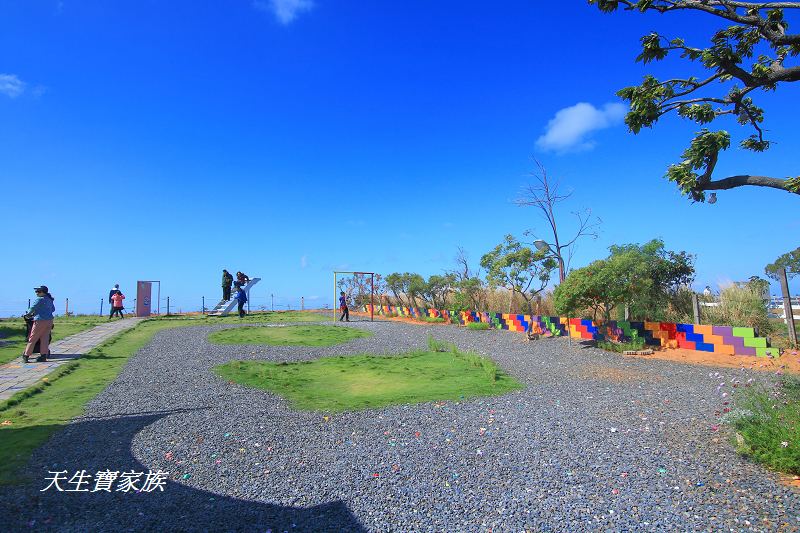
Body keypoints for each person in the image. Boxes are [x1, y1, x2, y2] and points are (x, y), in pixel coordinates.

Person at [23, 285, 56, 363]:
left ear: (43, 292)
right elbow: (53, 309)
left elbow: (32, 308)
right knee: (45, 338)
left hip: (40, 321)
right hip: (49, 321)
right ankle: (43, 356)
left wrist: (28, 314)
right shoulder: (49, 299)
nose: (36, 293)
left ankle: (26, 355)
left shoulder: (39, 299)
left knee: (33, 338)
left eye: (38, 291)